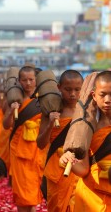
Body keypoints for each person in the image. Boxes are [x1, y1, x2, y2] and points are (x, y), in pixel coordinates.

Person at [60, 71, 111, 211]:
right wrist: (65, 160)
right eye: (103, 94)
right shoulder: (86, 127)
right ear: (94, 96)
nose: (107, 100)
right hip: (91, 197)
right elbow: (83, 169)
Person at [36, 70, 83, 212]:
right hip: (57, 170)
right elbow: (40, 143)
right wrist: (50, 123)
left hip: (80, 169)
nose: (73, 94)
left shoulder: (87, 111)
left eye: (77, 89)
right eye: (68, 89)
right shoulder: (52, 110)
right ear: (59, 87)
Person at [4, 65, 42, 212]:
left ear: (36, 80)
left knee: (33, 188)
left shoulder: (43, 98)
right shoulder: (16, 99)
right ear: (19, 81)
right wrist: (12, 110)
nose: (28, 83)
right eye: (24, 80)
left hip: (37, 149)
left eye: (31, 79)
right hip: (19, 151)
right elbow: (7, 125)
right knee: (22, 191)